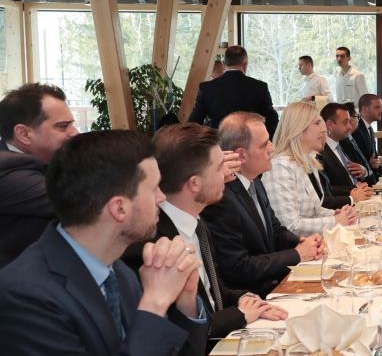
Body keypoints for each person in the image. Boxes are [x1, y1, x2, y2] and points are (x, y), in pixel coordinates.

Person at [0, 130, 208, 356]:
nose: (162, 197)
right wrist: (155, 302)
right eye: (153, 188)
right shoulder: (24, 296)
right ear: (119, 208)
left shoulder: (114, 269)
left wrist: (185, 299)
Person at [125, 123, 288, 342]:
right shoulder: (153, 243)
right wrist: (238, 315)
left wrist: (244, 299)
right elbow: (178, 328)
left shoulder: (197, 224)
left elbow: (213, 293)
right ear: (194, 183)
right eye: (220, 167)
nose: (228, 174)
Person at [201, 112, 325, 297]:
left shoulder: (255, 180)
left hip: (273, 285)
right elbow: (239, 267)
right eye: (264, 144)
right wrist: (298, 254)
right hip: (252, 297)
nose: (272, 148)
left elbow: (275, 231)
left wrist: (302, 242)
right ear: (241, 155)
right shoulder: (221, 197)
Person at [0, 83, 79, 267]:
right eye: (63, 126)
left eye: (72, 124)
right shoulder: (7, 171)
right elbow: (82, 200)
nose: (74, 133)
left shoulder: (51, 159)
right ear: (24, 134)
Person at [262, 102, 359, 234]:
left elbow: (315, 211)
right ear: (298, 128)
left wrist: (337, 214)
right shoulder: (280, 166)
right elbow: (290, 226)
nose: (324, 129)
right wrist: (335, 220)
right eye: (317, 123)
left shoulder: (305, 161)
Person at [188, 45, 280, 137]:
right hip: (250, 141)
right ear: (245, 64)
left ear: (224, 64)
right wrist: (265, 140)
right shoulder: (260, 87)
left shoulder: (206, 88)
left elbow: (193, 123)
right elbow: (272, 120)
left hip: (219, 142)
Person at [319, 102, 374, 204]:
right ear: (330, 125)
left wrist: (363, 172)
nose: (349, 126)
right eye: (345, 122)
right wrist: (354, 188)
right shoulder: (320, 151)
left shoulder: (342, 143)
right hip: (343, 205)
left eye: (349, 121)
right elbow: (324, 189)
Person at [351, 93, 382, 185]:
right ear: (365, 109)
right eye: (377, 107)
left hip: (371, 177)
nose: (381, 111)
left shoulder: (369, 128)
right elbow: (356, 161)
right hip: (363, 184)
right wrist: (371, 165)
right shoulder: (355, 130)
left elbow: (373, 160)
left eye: (381, 107)